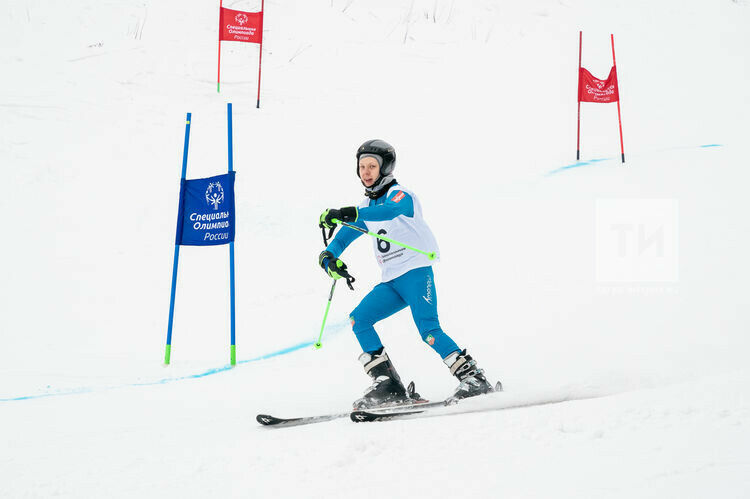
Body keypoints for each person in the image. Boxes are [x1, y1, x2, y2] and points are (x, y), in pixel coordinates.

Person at [318, 139, 496, 409]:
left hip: (415, 273)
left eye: (372, 166)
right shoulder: (366, 206)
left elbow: (390, 211)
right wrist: (328, 256)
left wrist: (348, 212)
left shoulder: (401, 195)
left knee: (428, 329)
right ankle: (389, 385)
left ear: (385, 168)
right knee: (360, 319)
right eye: (362, 167)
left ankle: (473, 378)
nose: (366, 172)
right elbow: (343, 237)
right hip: (391, 281)